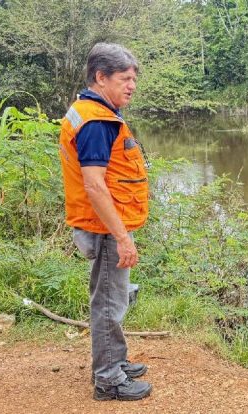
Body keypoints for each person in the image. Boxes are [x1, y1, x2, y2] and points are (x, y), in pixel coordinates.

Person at [58, 43, 152, 401]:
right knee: (110, 303)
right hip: (105, 228)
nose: (132, 86)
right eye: (124, 79)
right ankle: (109, 380)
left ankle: (115, 360)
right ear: (101, 77)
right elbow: (95, 186)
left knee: (112, 297)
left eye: (134, 80)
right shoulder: (96, 122)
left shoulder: (92, 112)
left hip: (103, 225)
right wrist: (122, 237)